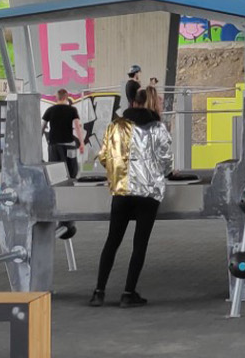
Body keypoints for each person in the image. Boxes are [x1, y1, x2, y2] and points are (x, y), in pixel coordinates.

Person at [89, 87, 173, 308]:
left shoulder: (115, 126)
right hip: (148, 194)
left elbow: (104, 157)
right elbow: (167, 163)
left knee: (112, 241)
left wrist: (118, 174)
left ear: (133, 103)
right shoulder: (158, 128)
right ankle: (128, 293)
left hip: (121, 192)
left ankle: (98, 292)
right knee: (139, 244)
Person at [42, 89, 81, 181]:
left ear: (57, 97)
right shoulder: (72, 110)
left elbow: (42, 127)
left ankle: (57, 190)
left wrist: (38, 142)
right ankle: (71, 185)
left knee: (55, 170)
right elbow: (77, 126)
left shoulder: (50, 110)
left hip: (54, 145)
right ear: (66, 97)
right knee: (71, 169)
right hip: (69, 145)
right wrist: (82, 143)